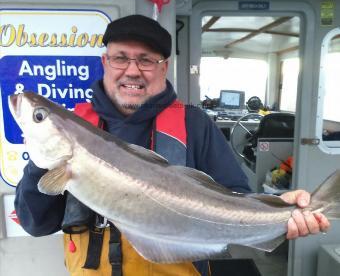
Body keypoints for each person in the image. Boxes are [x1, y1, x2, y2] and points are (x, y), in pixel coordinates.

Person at [15, 14, 330, 276]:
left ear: (163, 68)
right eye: (120, 58)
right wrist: (39, 166)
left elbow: (237, 196)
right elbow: (36, 224)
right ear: (105, 63)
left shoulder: (195, 124)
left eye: (146, 60)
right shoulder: (76, 129)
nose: (132, 70)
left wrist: (278, 209)